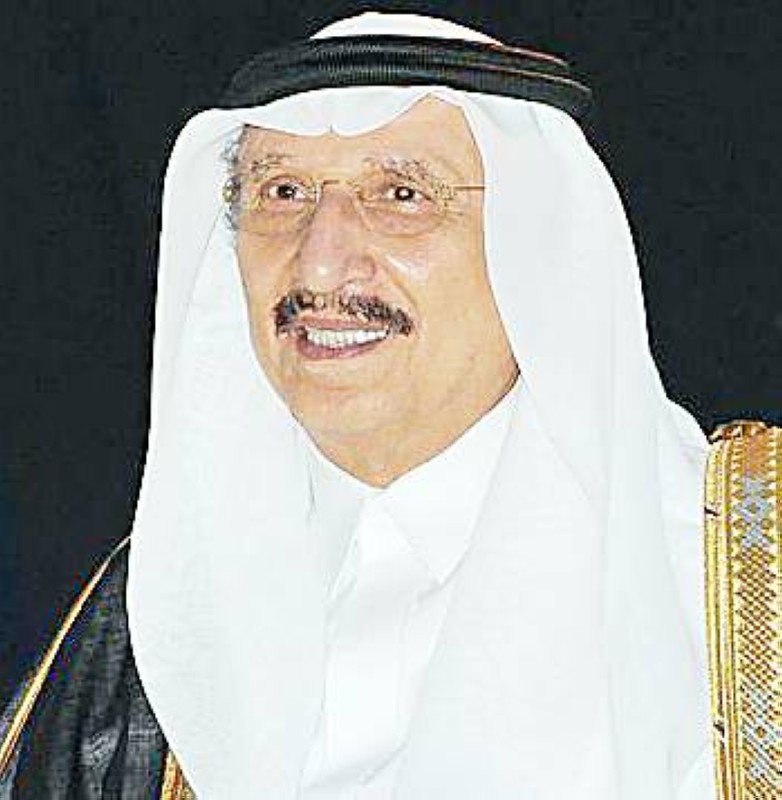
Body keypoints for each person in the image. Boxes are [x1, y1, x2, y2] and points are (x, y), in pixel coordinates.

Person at [2, 10, 766, 799]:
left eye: (401, 195)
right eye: (282, 192)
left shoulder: (743, 580)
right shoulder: (143, 628)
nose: (320, 265)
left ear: (538, 244)